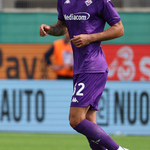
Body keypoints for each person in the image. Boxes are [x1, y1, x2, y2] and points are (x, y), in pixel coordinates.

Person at [39, 0, 128, 149]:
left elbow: (119, 29)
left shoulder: (100, 2)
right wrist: (50, 29)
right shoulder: (64, 1)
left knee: (75, 119)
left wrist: (90, 37)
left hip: (92, 66)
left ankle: (118, 149)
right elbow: (62, 27)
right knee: (89, 120)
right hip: (81, 68)